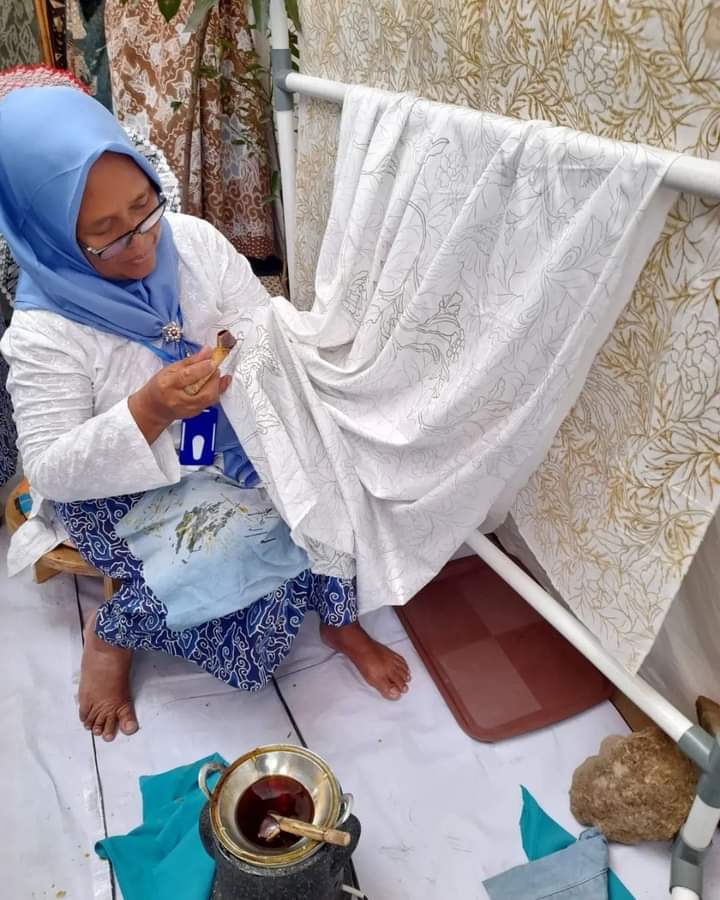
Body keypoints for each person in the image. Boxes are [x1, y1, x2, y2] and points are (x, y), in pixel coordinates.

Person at [0, 86, 410, 742]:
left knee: (336, 469)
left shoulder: (190, 241)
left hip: (224, 434)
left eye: (144, 207)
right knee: (251, 614)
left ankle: (339, 618)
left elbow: (256, 320)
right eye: (105, 236)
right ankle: (112, 632)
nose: (141, 244)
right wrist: (148, 409)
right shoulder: (43, 333)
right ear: (45, 233)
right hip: (120, 490)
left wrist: (234, 351)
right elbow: (49, 469)